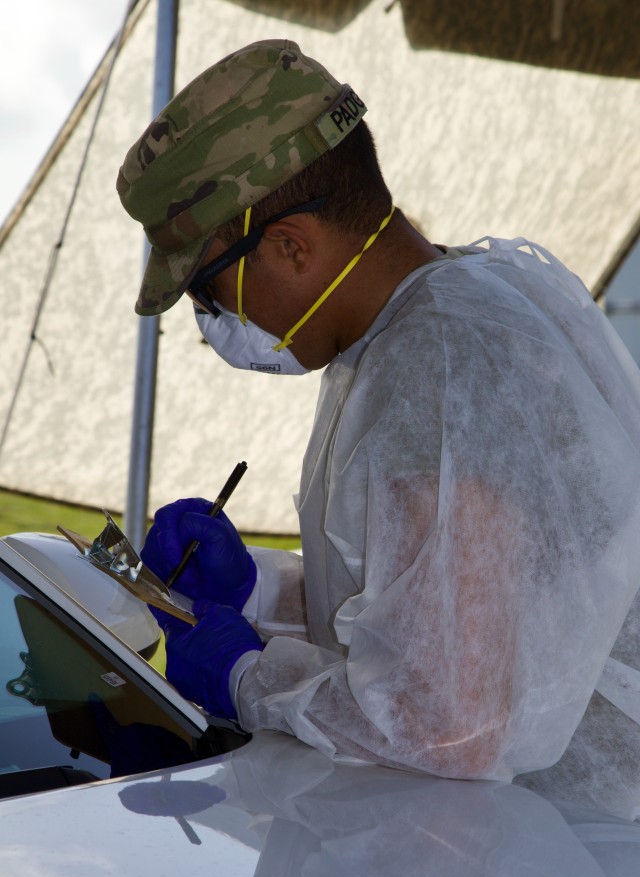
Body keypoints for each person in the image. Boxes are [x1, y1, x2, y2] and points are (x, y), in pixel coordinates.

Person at [117, 39, 640, 782]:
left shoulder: (441, 356)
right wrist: (256, 591)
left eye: (207, 293)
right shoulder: (446, 310)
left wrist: (247, 676)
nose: (210, 323)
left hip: (566, 838)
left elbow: (451, 720)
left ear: (292, 247)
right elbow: (445, 604)